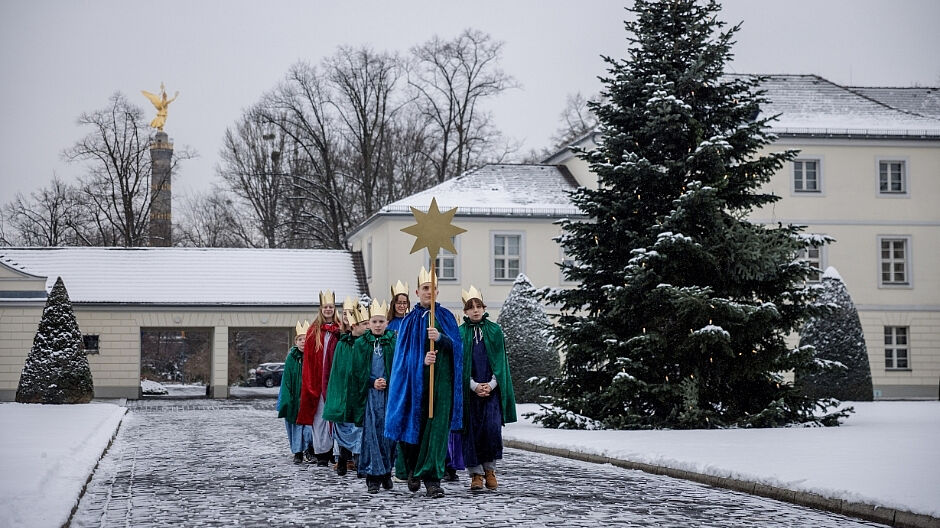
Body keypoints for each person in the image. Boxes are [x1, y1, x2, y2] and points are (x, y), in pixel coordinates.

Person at [385, 267, 463, 498]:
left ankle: (432, 480)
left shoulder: (446, 317)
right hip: (415, 385)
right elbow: (402, 357)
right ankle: (412, 469)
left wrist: (441, 338)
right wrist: (422, 360)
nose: (429, 292)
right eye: (425, 288)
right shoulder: (409, 321)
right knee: (413, 428)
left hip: (441, 385)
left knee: (436, 432)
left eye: (433, 288)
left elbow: (458, 350)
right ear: (418, 292)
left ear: (438, 291)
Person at [458, 286, 517, 491]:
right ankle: (475, 474)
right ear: (465, 311)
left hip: (491, 390)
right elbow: (459, 365)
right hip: (470, 392)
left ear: (484, 308)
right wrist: (473, 386)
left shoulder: (495, 330)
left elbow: (500, 361)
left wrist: (491, 385)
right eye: (471, 307)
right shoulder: (461, 333)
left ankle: (490, 470)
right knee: (471, 431)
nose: (475, 310)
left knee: (491, 430)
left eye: (478, 306)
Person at [323, 297, 369, 476]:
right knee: (344, 425)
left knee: (359, 427)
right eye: (363, 324)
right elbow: (337, 371)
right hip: (344, 391)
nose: (367, 327)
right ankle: (343, 457)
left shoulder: (367, 343)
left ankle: (358, 461)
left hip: (360, 392)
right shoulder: (342, 344)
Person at [355, 299, 397, 493]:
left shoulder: (393, 342)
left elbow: (398, 367)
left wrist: (388, 380)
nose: (378, 325)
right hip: (370, 395)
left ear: (387, 323)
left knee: (388, 435)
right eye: (374, 322)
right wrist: (372, 382)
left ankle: (386, 472)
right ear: (368, 323)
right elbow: (356, 370)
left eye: (381, 321)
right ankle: (373, 476)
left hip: (389, 394)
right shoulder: (361, 344)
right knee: (372, 434)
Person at [296, 291, 340, 466]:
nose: (328, 309)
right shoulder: (313, 331)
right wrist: (310, 382)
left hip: (334, 379)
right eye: (325, 307)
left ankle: (336, 452)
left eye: (331, 307)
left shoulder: (340, 329)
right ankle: (322, 452)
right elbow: (308, 360)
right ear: (321, 309)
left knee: (335, 416)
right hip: (318, 379)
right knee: (320, 417)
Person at [276, 321, 314, 463]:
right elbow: (286, 379)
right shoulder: (291, 358)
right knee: (295, 426)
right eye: (300, 339)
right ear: (295, 342)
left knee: (309, 427)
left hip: (308, 397)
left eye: (305, 339)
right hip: (294, 398)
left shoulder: (312, 356)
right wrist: (287, 398)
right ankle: (297, 452)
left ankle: (309, 449)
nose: (303, 342)